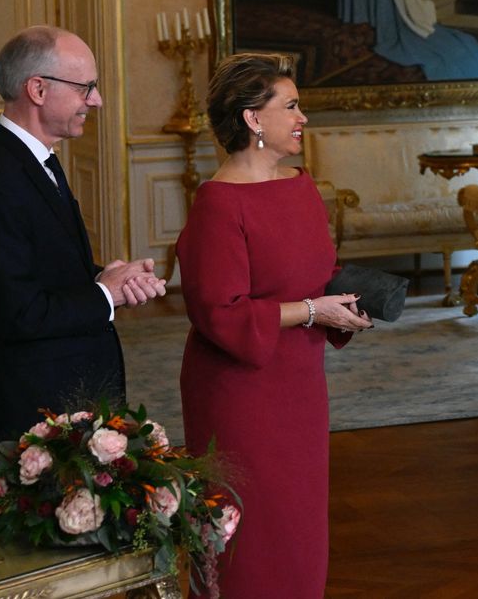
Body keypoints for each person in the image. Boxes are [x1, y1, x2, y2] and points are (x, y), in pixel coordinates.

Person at [176, 52, 373, 598]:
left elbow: (313, 274)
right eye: (290, 106)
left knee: (298, 529)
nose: (302, 117)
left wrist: (349, 299)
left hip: (299, 386)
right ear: (252, 119)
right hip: (241, 396)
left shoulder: (299, 184)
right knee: (252, 539)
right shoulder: (218, 205)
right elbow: (221, 312)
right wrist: (314, 311)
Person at [0, 26, 166, 469]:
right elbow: (18, 312)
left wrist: (109, 280)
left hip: (65, 408)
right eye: (85, 87)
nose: (96, 100)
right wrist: (103, 293)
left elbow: (45, 270)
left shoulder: (34, 160)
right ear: (37, 88)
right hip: (31, 419)